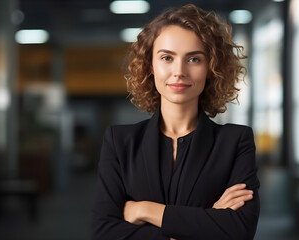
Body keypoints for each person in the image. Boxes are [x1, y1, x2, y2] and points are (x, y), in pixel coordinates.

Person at [92, 4, 260, 240]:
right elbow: (103, 231)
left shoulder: (236, 142)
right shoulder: (120, 142)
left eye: (193, 59)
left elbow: (239, 230)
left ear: (211, 68)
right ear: (151, 65)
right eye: (167, 58)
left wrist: (145, 210)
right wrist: (206, 221)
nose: (179, 71)